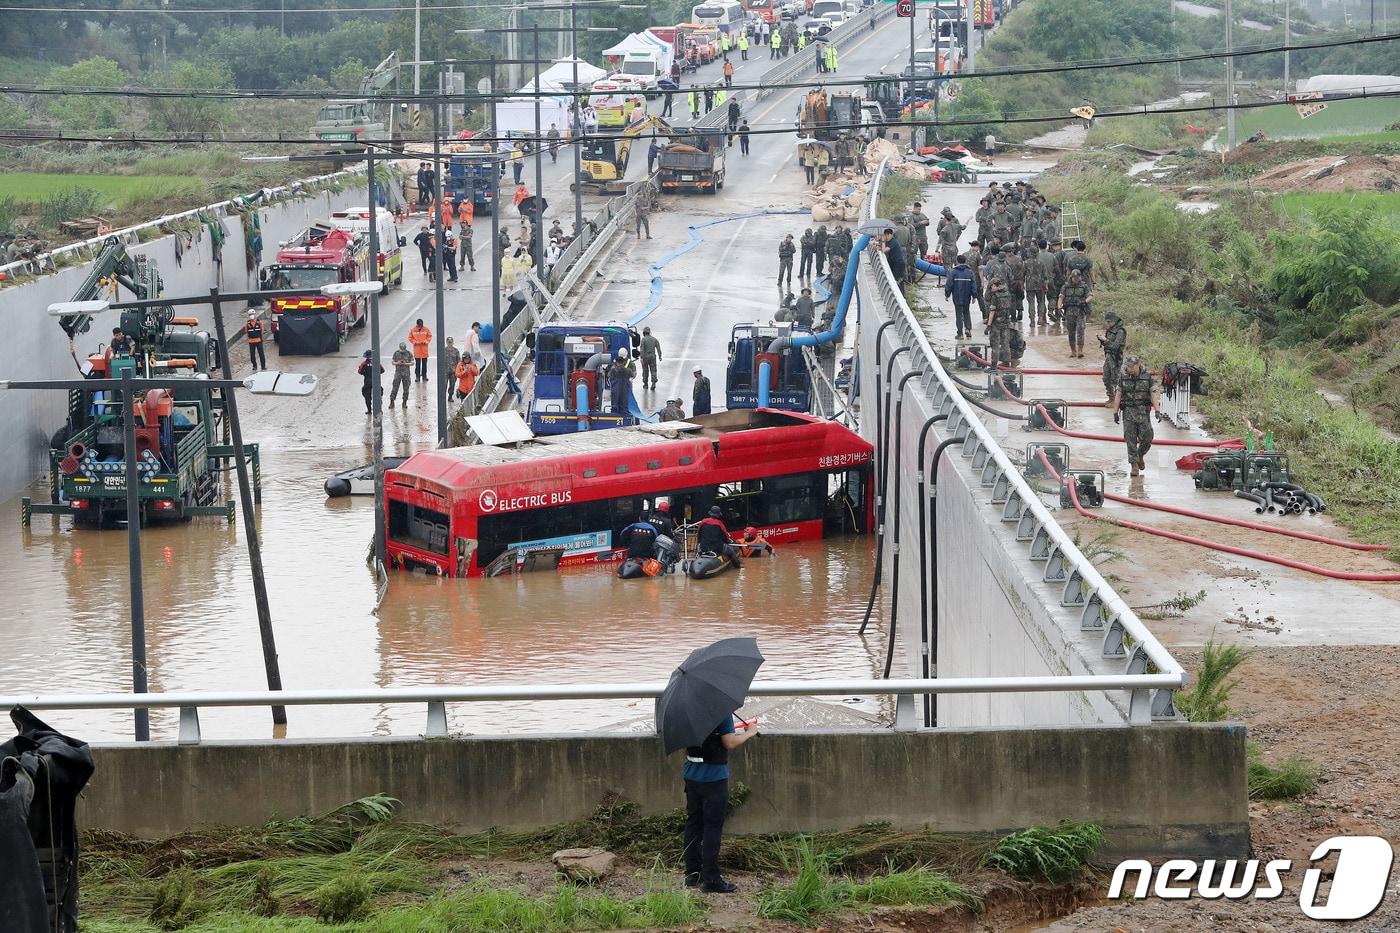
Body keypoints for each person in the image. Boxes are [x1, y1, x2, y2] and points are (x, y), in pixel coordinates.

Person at [681, 707, 756, 894]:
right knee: (712, 828)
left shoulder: (686, 709)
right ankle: (712, 879)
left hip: (691, 773)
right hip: (714, 777)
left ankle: (692, 873)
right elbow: (729, 742)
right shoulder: (720, 710)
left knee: (694, 824)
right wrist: (750, 733)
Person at [1109, 355, 1162, 477]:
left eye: (1132, 367)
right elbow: (1118, 394)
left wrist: (1157, 411)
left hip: (1143, 412)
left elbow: (1153, 394)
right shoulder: (1123, 377)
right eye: (1128, 367)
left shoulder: (1147, 377)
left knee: (1148, 436)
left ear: (1138, 365)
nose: (1130, 369)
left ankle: (1140, 455)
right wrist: (1115, 412)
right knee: (1130, 440)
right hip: (1128, 412)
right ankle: (1134, 465)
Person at [1059, 268, 1091, 358]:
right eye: (1074, 278)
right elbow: (1061, 297)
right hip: (1069, 312)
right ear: (1071, 277)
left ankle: (1080, 351)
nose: (1076, 280)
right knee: (1071, 332)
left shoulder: (1084, 286)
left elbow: (1090, 295)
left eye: (1077, 278)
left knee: (1080, 330)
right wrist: (1059, 307)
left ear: (1080, 277)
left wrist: (1085, 301)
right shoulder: (1065, 286)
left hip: (1080, 312)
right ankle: (1073, 351)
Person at [944, 254, 976, 340]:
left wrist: (947, 294)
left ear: (957, 261)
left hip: (957, 297)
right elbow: (973, 284)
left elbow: (949, 284)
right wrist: (974, 296)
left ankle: (960, 334)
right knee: (966, 312)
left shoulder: (953, 272)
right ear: (965, 261)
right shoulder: (969, 272)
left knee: (959, 314)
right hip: (967, 296)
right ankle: (968, 329)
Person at [986, 280, 1017, 366]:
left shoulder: (995, 296)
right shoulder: (1008, 294)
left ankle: (994, 365)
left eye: (991, 286)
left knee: (995, 344)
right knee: (1005, 344)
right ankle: (1007, 363)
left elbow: (992, 311)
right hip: (1006, 322)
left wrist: (988, 325)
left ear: (995, 286)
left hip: (996, 323)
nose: (991, 288)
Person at [1099, 311, 1126, 400]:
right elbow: (1108, 345)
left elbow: (1115, 347)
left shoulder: (1120, 331)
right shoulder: (1110, 331)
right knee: (1106, 378)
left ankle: (1117, 399)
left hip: (1115, 358)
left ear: (1114, 321)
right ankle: (1111, 397)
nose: (1107, 324)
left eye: (1109, 322)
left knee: (1115, 378)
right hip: (1108, 356)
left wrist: (1105, 340)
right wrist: (1102, 340)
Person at [1023, 242, 1048, 325]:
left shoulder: (1025, 263)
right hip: (1040, 285)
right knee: (1041, 302)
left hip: (1030, 285)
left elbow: (1022, 275)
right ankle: (1040, 318)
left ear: (1030, 253)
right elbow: (1045, 276)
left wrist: (1022, 285)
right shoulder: (1041, 262)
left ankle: (1032, 320)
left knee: (1031, 303)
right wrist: (1046, 285)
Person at [609, 347, 635, 414]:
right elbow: (633, 374)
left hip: (616, 388)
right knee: (624, 401)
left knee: (615, 402)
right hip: (625, 386)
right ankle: (624, 412)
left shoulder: (613, 369)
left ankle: (615, 413)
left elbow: (609, 375)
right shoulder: (628, 369)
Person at [357, 350, 382, 415]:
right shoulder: (376, 362)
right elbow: (382, 370)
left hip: (367, 382)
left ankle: (369, 411)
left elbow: (360, 371)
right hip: (376, 382)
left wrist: (365, 374)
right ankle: (379, 410)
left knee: (367, 396)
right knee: (378, 396)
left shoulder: (364, 363)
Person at [389, 341, 413, 408]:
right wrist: (398, 362)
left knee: (406, 388)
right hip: (398, 373)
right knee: (395, 387)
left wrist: (405, 363)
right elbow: (392, 362)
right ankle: (392, 401)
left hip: (406, 373)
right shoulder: (396, 353)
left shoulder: (409, 353)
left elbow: (412, 363)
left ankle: (404, 402)